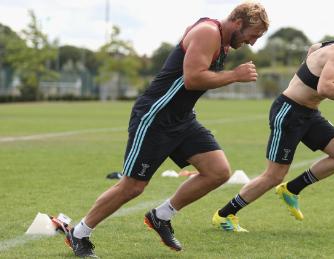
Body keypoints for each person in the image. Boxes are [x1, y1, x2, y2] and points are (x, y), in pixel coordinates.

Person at [64, 3, 269, 257]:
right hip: (156, 117)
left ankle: (161, 216)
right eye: (254, 34)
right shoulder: (208, 32)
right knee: (132, 187)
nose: (253, 42)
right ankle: (79, 233)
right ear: (238, 23)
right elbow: (192, 78)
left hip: (182, 120)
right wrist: (234, 75)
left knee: (218, 171)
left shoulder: (222, 41)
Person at [212, 26, 334, 232]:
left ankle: (291, 189)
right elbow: (325, 87)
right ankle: (225, 214)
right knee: (273, 176)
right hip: (289, 112)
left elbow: (313, 50)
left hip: (309, 114)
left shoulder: (327, 45)